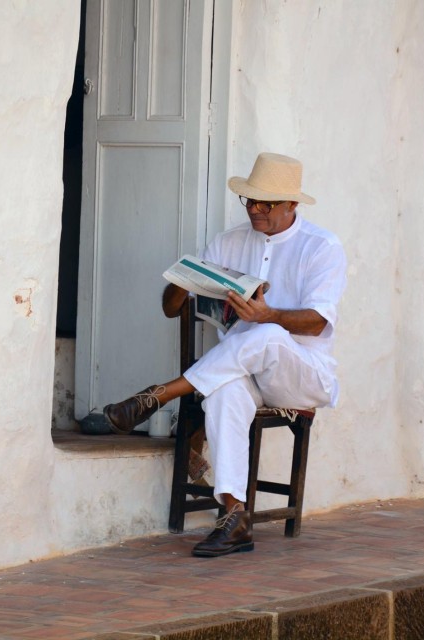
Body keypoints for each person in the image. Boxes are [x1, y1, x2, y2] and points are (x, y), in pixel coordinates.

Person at [103, 152, 347, 557]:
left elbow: (319, 322)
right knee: (222, 393)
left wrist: (269, 315)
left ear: (291, 205)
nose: (255, 209)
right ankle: (235, 516)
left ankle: (159, 394)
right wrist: (185, 278)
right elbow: (170, 306)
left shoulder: (321, 247)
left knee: (265, 332)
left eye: (266, 203)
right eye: (250, 200)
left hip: (302, 376)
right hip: (243, 375)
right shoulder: (229, 242)